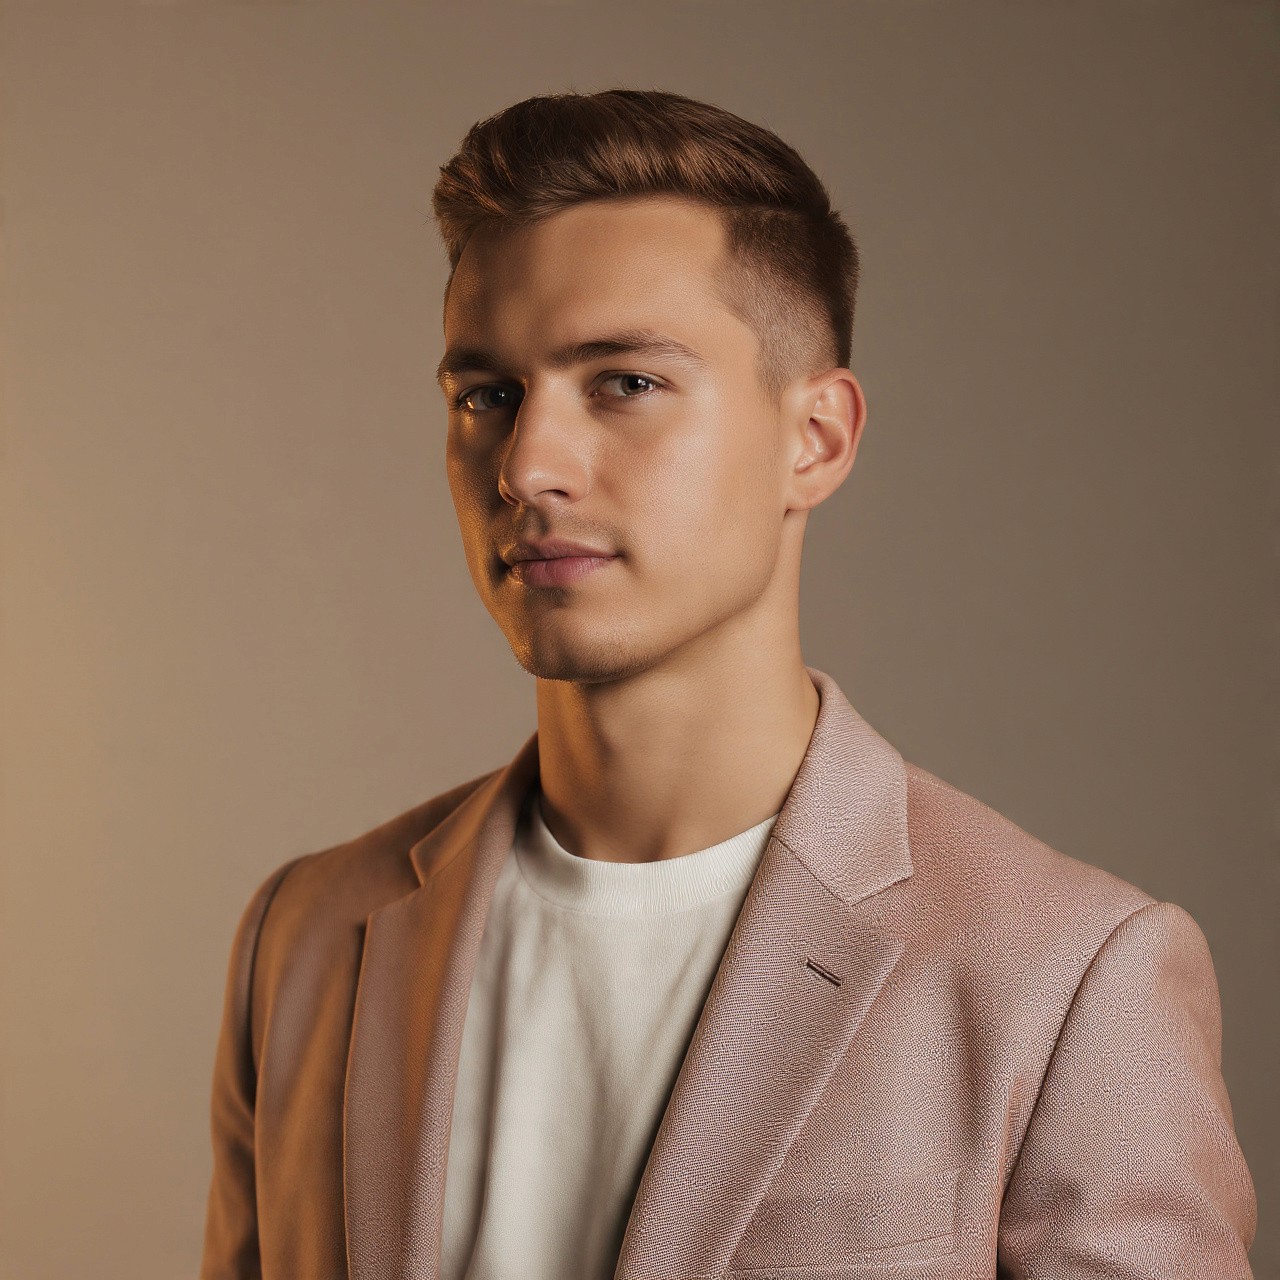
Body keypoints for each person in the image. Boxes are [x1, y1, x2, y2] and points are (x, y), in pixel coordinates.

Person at [199, 89, 1257, 1280]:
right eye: (484, 395)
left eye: (624, 383)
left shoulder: (1065, 975)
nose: (528, 465)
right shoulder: (304, 936)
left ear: (814, 438)